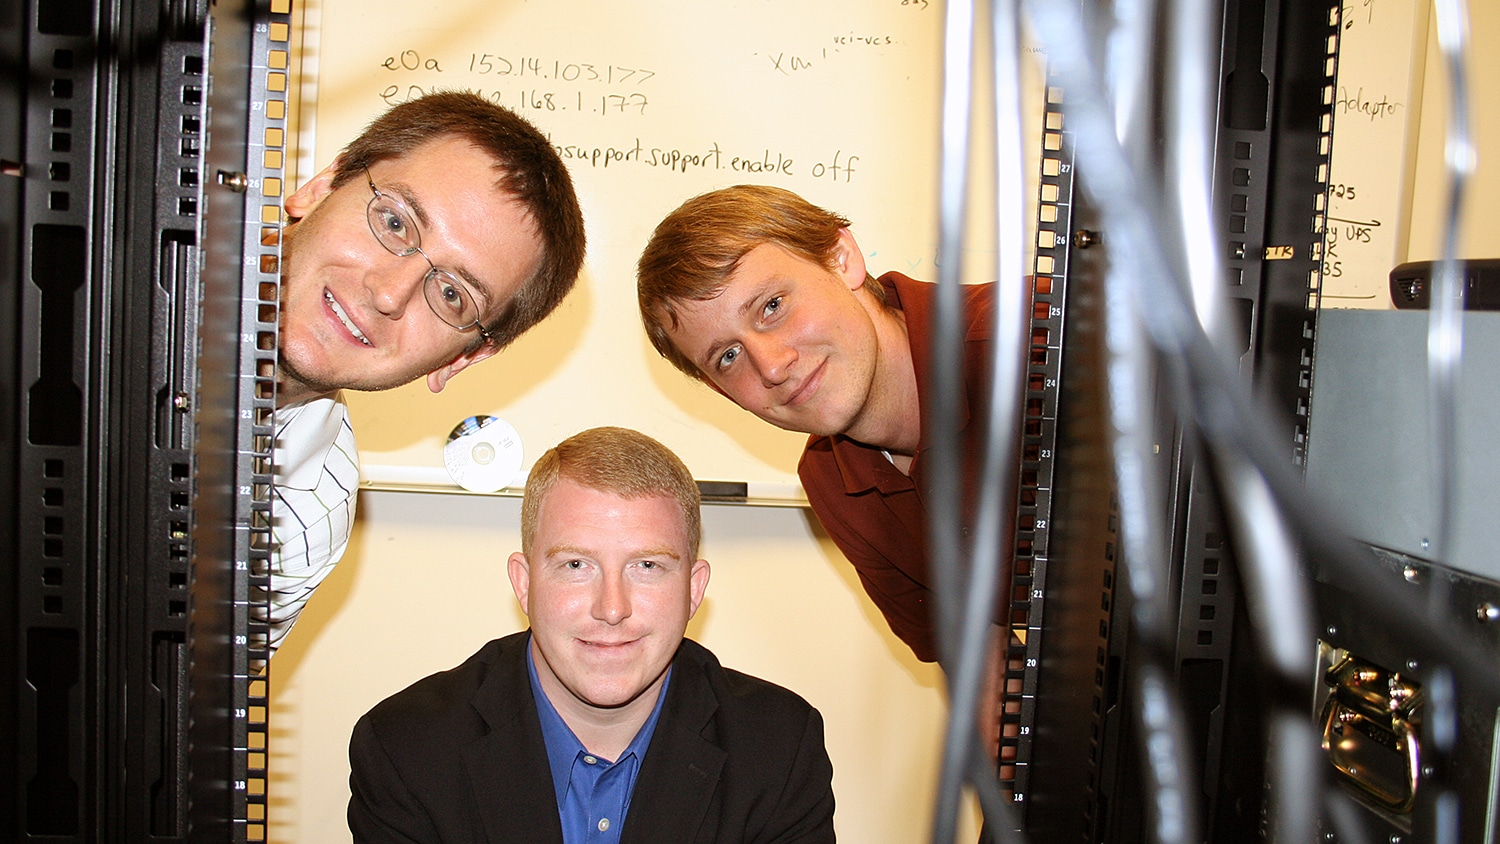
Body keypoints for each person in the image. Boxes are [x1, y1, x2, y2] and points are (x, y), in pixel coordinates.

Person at [347, 426, 837, 843]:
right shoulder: (406, 750)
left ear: (693, 590)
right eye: (576, 565)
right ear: (524, 583)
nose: (611, 608)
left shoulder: (780, 750)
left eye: (647, 566)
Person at [267, 91, 586, 653]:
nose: (389, 293)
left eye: (451, 295)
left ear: (460, 359)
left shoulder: (310, 516)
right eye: (393, 221)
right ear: (321, 186)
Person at [635, 184, 1000, 670]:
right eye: (728, 357)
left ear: (841, 258)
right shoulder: (831, 480)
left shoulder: (1035, 345)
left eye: (771, 306)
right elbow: (987, 671)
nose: (771, 367)